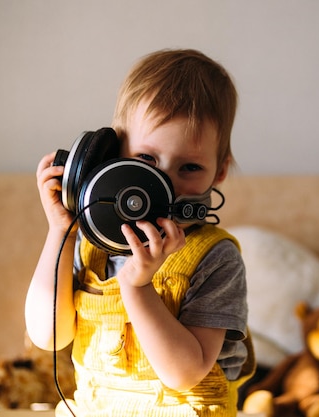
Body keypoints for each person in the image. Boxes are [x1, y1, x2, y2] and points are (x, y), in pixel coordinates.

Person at [25, 49, 254, 417]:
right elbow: (48, 336)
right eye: (146, 160)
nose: (164, 182)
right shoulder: (89, 244)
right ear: (113, 154)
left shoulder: (216, 258)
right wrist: (61, 233)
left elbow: (184, 373)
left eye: (190, 167)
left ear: (220, 171)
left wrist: (137, 286)